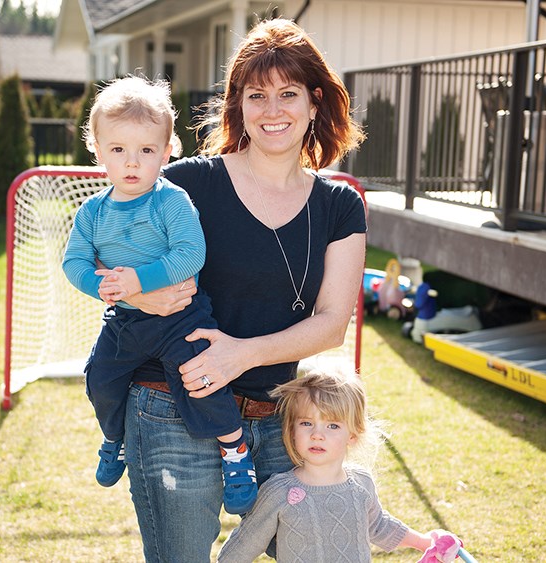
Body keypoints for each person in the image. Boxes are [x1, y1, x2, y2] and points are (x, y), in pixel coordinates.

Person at [114, 18, 368, 562]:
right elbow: (113, 261)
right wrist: (140, 295)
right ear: (238, 104)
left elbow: (331, 321)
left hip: (279, 416)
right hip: (171, 405)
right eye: (257, 95)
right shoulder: (187, 183)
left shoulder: (340, 206)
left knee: (315, 550)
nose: (272, 110)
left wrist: (242, 355)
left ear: (314, 102)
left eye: (288, 94)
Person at [62, 75, 258, 514]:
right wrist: (105, 287)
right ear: (96, 150)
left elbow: (192, 255)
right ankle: (116, 440)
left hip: (181, 318)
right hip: (125, 321)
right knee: (100, 379)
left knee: (199, 382)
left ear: (168, 153)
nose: (132, 163)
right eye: (118, 150)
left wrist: (138, 281)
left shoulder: (171, 201)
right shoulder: (92, 211)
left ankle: (234, 450)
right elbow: (74, 263)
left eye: (147, 151)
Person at [217, 371, 466, 563]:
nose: (317, 434)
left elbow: (379, 524)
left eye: (332, 426)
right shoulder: (279, 491)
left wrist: (425, 542)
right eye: (306, 423)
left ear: (353, 435)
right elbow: (246, 541)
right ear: (291, 430)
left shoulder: (361, 483)